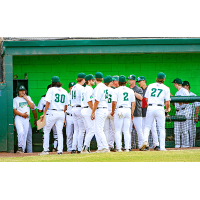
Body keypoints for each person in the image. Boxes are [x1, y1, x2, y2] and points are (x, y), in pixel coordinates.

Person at [39, 76, 69, 155]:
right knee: (59, 132)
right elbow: (66, 105)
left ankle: (45, 150)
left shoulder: (50, 90)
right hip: (61, 112)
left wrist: (44, 114)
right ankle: (60, 151)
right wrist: (63, 112)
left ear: (52, 82)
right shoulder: (64, 91)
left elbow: (48, 103)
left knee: (47, 130)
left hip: (52, 112)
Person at [141, 72, 171, 151]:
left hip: (150, 106)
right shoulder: (166, 88)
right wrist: (167, 109)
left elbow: (146, 99)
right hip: (160, 107)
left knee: (147, 126)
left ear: (157, 78)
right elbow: (167, 102)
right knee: (161, 128)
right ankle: (162, 147)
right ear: (163, 79)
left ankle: (145, 141)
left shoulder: (150, 85)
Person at [111, 75, 135, 152]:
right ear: (125, 82)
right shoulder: (130, 90)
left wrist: (112, 111)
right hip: (128, 110)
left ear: (119, 82)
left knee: (118, 130)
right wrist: (131, 113)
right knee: (126, 130)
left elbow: (114, 102)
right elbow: (133, 103)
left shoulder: (116, 90)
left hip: (120, 109)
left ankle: (119, 148)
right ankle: (127, 148)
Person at [137, 76, 159, 150]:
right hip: (142, 112)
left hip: (150, 111)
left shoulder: (149, 89)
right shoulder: (139, 90)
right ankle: (146, 145)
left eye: (140, 81)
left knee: (153, 129)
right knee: (144, 129)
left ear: (144, 81)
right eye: (138, 82)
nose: (139, 83)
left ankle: (156, 144)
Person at [91, 72, 110, 153]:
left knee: (99, 129)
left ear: (95, 79)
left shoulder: (99, 87)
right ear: (102, 79)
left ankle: (105, 147)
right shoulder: (104, 86)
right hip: (104, 108)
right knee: (97, 129)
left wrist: (93, 111)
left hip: (100, 109)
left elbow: (96, 101)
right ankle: (100, 147)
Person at [13, 85, 35, 153]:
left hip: (26, 119)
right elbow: (14, 110)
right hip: (19, 118)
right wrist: (22, 114)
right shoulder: (15, 99)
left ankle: (22, 151)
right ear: (18, 92)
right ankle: (20, 147)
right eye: (21, 90)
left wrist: (27, 99)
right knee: (21, 132)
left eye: (23, 90)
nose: (22, 92)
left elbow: (33, 107)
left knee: (25, 135)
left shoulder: (28, 97)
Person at [37, 84, 58, 152]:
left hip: (46, 116)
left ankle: (46, 148)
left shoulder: (44, 98)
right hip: (55, 115)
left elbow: (39, 110)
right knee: (56, 133)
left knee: (46, 132)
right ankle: (55, 148)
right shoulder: (57, 98)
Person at [127, 74, 144, 150]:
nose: (129, 81)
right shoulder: (126, 89)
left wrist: (132, 92)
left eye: (131, 80)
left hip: (137, 112)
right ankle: (129, 146)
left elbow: (141, 98)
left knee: (139, 129)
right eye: (128, 79)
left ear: (134, 81)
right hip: (129, 112)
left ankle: (142, 145)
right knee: (128, 130)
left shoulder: (138, 89)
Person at [71, 73, 86, 154]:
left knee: (76, 130)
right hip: (79, 108)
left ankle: (73, 148)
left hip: (73, 108)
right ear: (83, 79)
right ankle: (80, 149)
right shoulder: (81, 88)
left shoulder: (73, 87)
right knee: (81, 130)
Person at [173, 78, 190, 148]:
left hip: (184, 111)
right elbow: (175, 103)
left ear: (176, 84)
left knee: (184, 131)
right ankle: (177, 145)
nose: (174, 85)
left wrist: (181, 102)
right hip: (177, 112)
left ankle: (185, 145)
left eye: (174, 84)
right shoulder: (177, 93)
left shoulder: (184, 91)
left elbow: (188, 101)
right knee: (176, 130)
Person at [182, 81, 199, 147]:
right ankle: (186, 146)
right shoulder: (182, 95)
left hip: (191, 117)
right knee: (184, 133)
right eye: (183, 86)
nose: (184, 87)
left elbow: (196, 107)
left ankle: (192, 146)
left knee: (192, 133)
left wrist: (196, 116)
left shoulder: (193, 95)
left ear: (188, 86)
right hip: (184, 117)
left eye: (185, 86)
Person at [81, 74, 95, 153]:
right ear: (89, 81)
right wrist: (93, 111)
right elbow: (89, 101)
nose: (93, 81)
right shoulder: (89, 88)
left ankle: (87, 147)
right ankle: (85, 147)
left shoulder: (84, 89)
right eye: (92, 80)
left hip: (84, 109)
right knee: (92, 130)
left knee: (88, 130)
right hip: (88, 109)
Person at [104, 75, 115, 151]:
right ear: (110, 82)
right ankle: (111, 145)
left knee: (106, 130)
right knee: (113, 129)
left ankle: (106, 145)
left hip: (104, 110)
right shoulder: (113, 90)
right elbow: (114, 102)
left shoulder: (102, 89)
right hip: (111, 111)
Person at [65, 82, 75, 152]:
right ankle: (69, 148)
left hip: (76, 116)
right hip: (69, 116)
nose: (72, 89)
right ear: (69, 88)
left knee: (77, 133)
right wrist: (64, 119)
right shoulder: (66, 96)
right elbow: (64, 108)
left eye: (73, 87)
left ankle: (76, 147)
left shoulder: (78, 96)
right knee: (69, 134)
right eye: (71, 88)